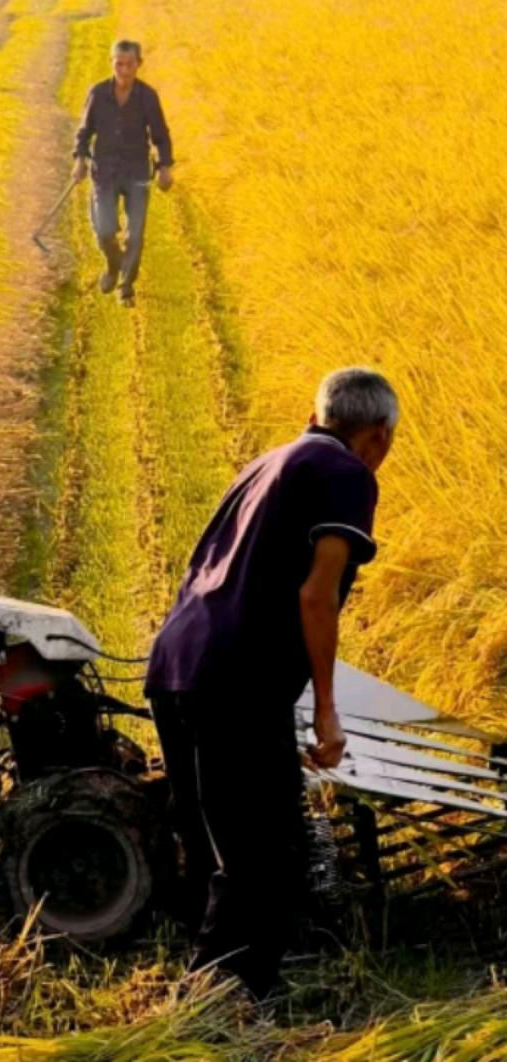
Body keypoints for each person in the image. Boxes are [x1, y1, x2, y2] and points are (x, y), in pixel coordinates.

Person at [144, 367, 398, 998]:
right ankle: (221, 998)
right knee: (267, 848)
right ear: (379, 434)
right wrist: (327, 710)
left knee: (212, 841)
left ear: (316, 417)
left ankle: (223, 987)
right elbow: (317, 596)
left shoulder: (266, 464)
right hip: (238, 679)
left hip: (177, 662)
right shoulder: (348, 474)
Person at [72, 39, 175, 307]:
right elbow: (84, 132)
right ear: (112, 63)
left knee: (135, 236)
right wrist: (79, 160)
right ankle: (113, 263)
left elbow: (161, 136)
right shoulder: (97, 94)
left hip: (136, 172)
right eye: (119, 64)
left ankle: (125, 287)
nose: (124, 70)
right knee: (104, 231)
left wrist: (164, 167)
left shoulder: (148, 97)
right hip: (104, 172)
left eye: (130, 64)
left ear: (139, 64)